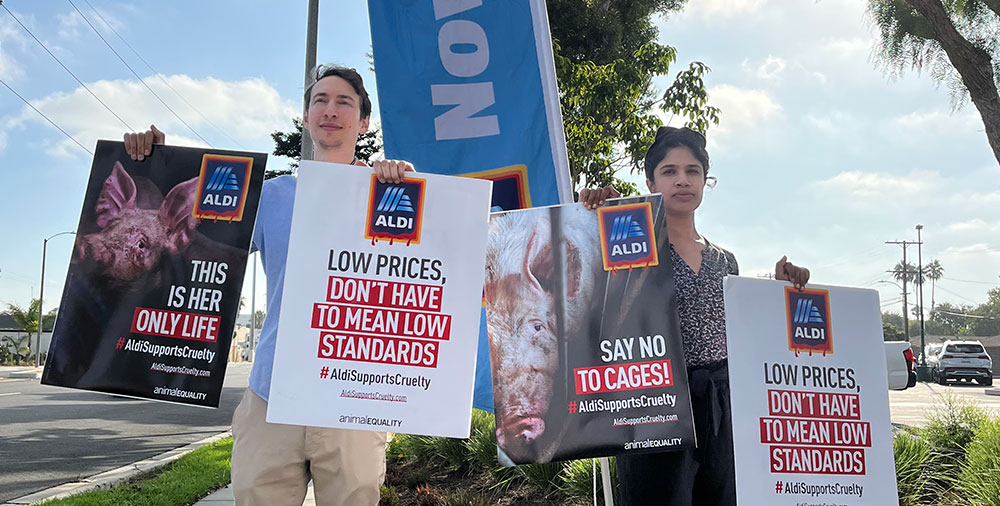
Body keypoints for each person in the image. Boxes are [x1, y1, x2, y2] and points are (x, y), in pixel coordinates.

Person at [124, 65, 413, 506]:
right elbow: (194, 232)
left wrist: (408, 183)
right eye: (320, 100)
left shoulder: (391, 192)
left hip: (352, 398)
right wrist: (160, 166)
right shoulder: (273, 196)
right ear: (305, 116)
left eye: (344, 102)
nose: (330, 110)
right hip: (270, 394)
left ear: (364, 122)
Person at [579, 126, 810, 506]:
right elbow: (592, 295)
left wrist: (784, 292)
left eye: (693, 171)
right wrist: (592, 216)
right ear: (650, 180)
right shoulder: (627, 247)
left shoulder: (725, 260)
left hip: (720, 407)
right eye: (669, 171)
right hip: (652, 406)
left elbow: (747, 333)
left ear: (705, 180)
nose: (682, 180)